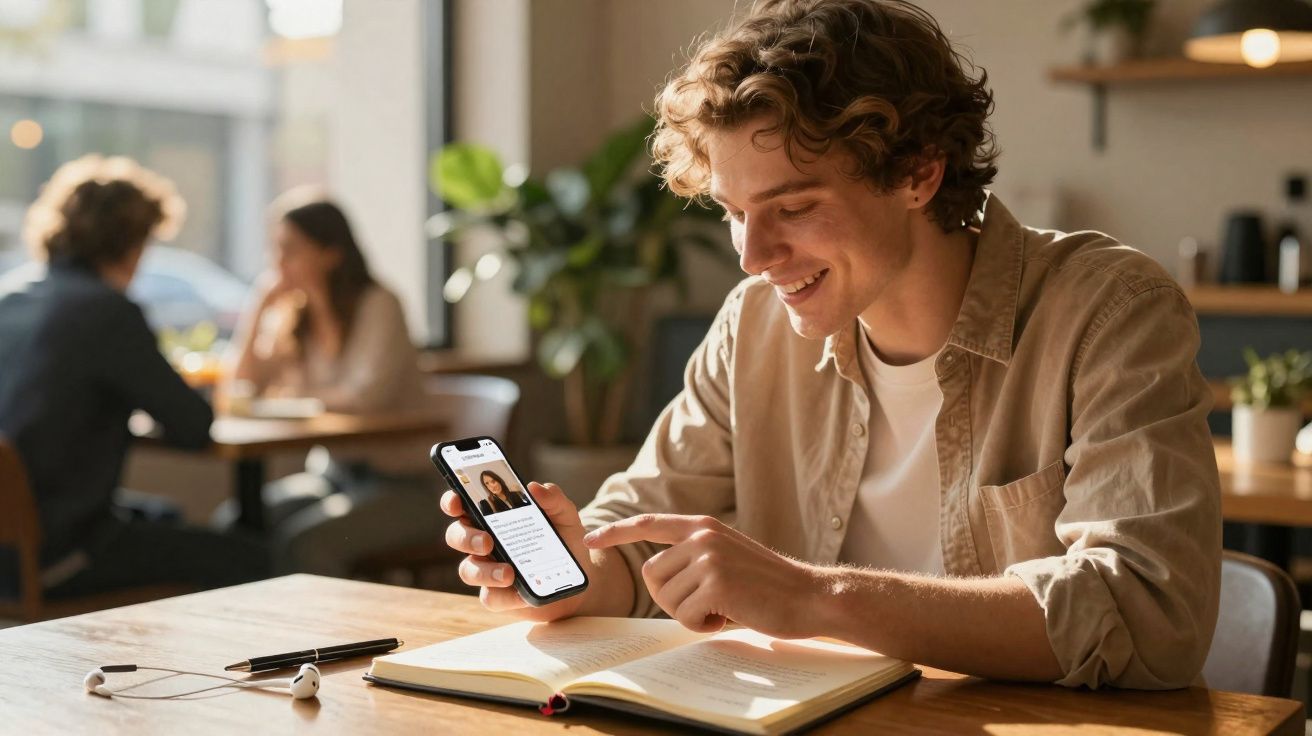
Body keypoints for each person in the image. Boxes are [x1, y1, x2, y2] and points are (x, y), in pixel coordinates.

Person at [440, 0, 1221, 691]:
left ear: (918, 173)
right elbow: (648, 541)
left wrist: (813, 597)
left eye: (795, 206)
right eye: (734, 211)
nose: (753, 255)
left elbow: (1145, 612)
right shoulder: (754, 324)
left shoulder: (1110, 310)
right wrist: (582, 574)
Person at [0, 155, 269, 599]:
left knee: (163, 515)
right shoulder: (104, 312)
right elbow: (192, 426)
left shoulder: (11, 298)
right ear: (131, 243)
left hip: (10, 548)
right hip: (55, 553)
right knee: (256, 559)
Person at [220, 188, 432, 576]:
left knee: (304, 544)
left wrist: (297, 398)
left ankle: (323, 637)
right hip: (332, 476)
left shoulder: (379, 304)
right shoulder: (293, 315)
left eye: (290, 250)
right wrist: (257, 309)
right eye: (274, 249)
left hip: (403, 484)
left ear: (331, 254)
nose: (276, 263)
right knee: (233, 525)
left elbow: (367, 397)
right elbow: (240, 389)